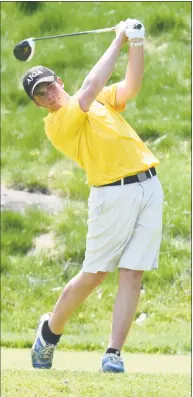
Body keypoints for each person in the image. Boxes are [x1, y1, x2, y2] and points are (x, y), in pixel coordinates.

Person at [22, 19, 163, 373]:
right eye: (40, 93)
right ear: (39, 105)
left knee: (133, 273)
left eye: (49, 85)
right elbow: (88, 87)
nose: (47, 93)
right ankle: (49, 334)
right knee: (95, 273)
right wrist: (118, 38)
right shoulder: (58, 123)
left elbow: (131, 86)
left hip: (149, 186)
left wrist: (137, 42)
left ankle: (113, 354)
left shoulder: (100, 100)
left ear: (59, 81)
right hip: (111, 196)